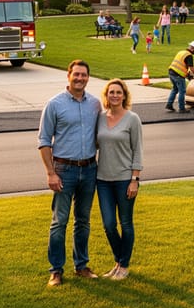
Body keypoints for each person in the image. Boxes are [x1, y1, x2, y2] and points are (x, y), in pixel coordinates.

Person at [37, 59, 103, 286]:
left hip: (89, 168)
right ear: (68, 76)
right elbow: (44, 141)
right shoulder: (54, 104)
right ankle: (56, 270)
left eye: (84, 75)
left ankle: (81, 265)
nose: (80, 78)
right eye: (76, 74)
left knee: (83, 221)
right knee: (59, 221)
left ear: (88, 77)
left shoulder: (95, 104)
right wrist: (50, 173)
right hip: (64, 170)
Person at [96, 79, 143, 280]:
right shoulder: (99, 117)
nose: (114, 95)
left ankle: (123, 266)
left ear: (124, 96)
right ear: (106, 96)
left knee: (126, 223)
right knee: (108, 224)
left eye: (118, 92)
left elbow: (138, 151)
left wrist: (135, 179)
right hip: (102, 179)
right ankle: (119, 261)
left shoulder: (132, 119)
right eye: (111, 92)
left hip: (125, 179)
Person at [165, 40, 194, 113]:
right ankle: (182, 108)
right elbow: (192, 68)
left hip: (171, 72)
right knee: (182, 91)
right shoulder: (189, 55)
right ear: (192, 48)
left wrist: (187, 74)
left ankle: (169, 104)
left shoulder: (181, 52)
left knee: (175, 89)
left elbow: (181, 65)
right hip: (178, 75)